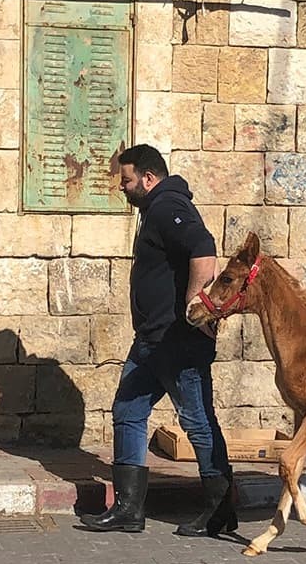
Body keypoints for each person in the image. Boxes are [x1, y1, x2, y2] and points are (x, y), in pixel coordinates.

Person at [79, 144, 235, 537]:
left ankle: (220, 511)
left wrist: (194, 301)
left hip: (177, 341)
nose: (122, 187)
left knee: (197, 422)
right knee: (128, 410)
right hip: (151, 341)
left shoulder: (167, 207)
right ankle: (130, 509)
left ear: (149, 178)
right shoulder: (155, 209)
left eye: (127, 180)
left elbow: (203, 248)